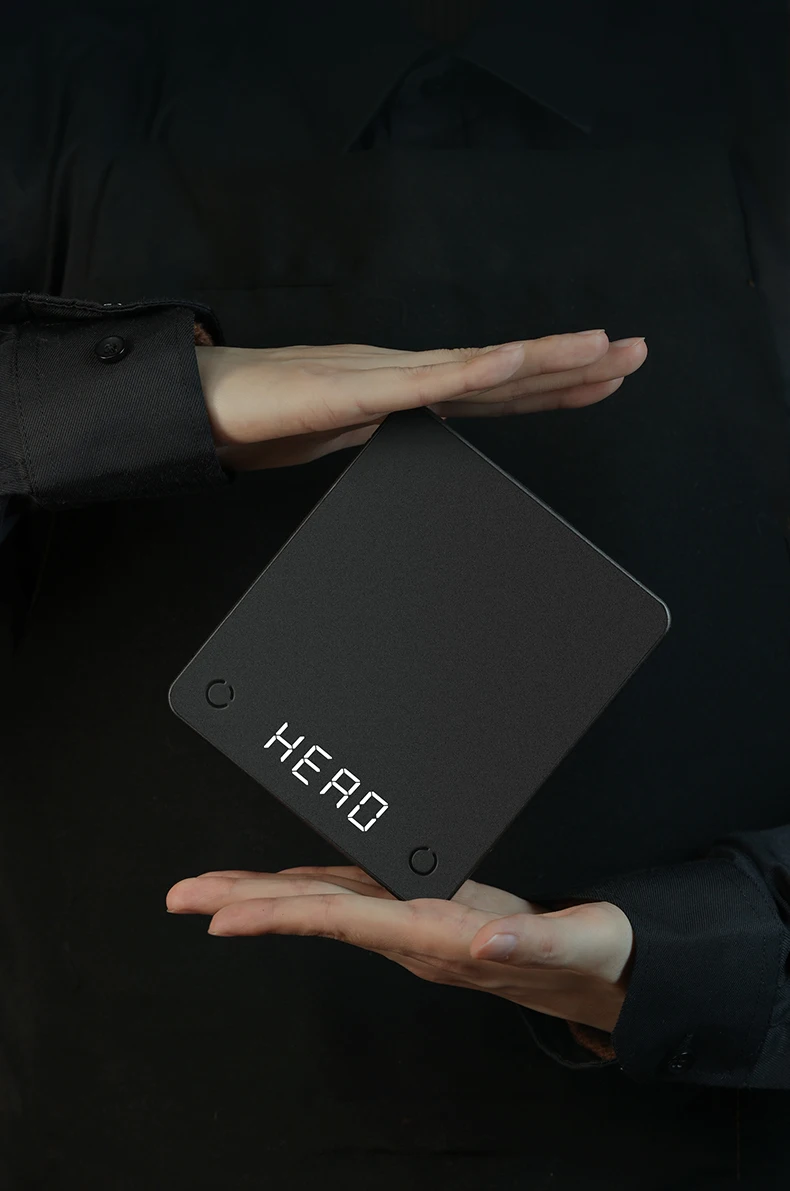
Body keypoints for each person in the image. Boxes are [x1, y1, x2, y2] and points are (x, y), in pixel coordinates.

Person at [2, 1, 789, 1187]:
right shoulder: (40, 66)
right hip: (125, 1097)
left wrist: (681, 957)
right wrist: (148, 398)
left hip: (699, 1120)